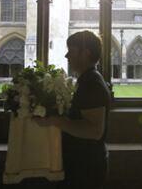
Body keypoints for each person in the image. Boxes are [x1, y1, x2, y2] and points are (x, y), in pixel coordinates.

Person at [34, 30, 111, 189]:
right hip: (80, 163)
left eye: (72, 51)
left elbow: (94, 131)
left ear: (86, 53)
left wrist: (55, 121)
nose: (67, 56)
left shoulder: (92, 84)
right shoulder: (86, 80)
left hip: (86, 168)